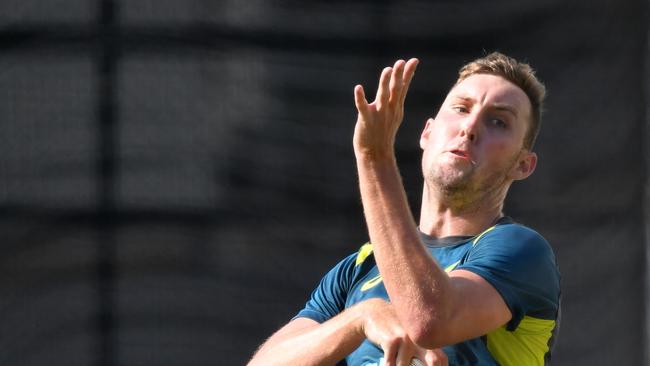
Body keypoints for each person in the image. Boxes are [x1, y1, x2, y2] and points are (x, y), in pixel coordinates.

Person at [247, 52, 561, 366]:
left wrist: (375, 158)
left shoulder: (521, 250)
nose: (470, 127)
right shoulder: (359, 268)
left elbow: (429, 320)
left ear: (522, 165)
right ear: (427, 133)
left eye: (498, 121)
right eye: (461, 108)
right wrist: (362, 317)